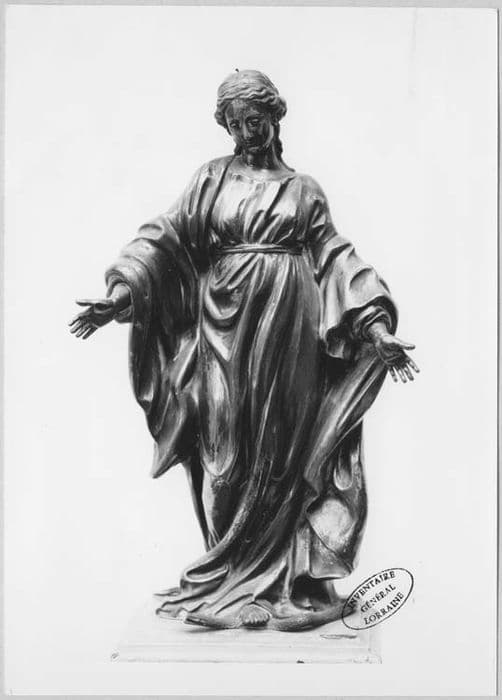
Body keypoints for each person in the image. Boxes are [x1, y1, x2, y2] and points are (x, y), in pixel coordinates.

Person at [70, 70, 418, 631]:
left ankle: (279, 585)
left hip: (291, 329)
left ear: (274, 117)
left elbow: (336, 256)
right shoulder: (211, 179)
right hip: (223, 328)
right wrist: (120, 296)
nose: (244, 132)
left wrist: (375, 327)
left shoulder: (304, 189)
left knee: (283, 447)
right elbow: (165, 237)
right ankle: (229, 578)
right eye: (234, 124)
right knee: (222, 448)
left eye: (254, 120)